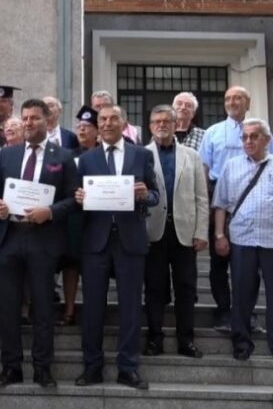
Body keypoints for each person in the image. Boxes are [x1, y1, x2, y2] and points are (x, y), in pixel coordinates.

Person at [0, 99, 78, 389]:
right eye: (24, 118)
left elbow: (72, 199)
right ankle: (11, 367)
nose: (28, 123)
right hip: (9, 237)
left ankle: (42, 368)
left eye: (34, 118)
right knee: (8, 307)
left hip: (43, 239)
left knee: (42, 308)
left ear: (47, 120)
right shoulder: (7, 155)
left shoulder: (62, 157)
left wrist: (50, 212)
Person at [74, 104, 159, 390]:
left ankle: (128, 368)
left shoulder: (142, 155)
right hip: (95, 241)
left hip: (130, 240)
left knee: (131, 307)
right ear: (97, 125)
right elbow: (78, 201)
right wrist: (79, 196)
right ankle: (92, 367)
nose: (108, 123)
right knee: (93, 308)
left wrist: (146, 194)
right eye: (103, 119)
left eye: (113, 119)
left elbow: (156, 196)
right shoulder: (86, 160)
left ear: (124, 123)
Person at [213, 118, 273, 363]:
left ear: (267, 139)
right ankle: (241, 342)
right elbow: (220, 204)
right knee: (242, 294)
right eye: (244, 137)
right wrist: (220, 235)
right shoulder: (231, 167)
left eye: (254, 136)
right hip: (243, 240)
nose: (248, 141)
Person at [199, 85, 273, 332]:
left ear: (248, 102)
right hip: (220, 200)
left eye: (237, 98)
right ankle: (224, 310)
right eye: (228, 98)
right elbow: (203, 169)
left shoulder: (261, 131)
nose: (232, 102)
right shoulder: (213, 132)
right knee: (218, 260)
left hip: (254, 201)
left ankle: (247, 312)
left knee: (249, 263)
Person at [143, 105, 208, 359]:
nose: (162, 125)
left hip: (184, 230)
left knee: (185, 288)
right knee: (154, 288)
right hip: (153, 232)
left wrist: (201, 231)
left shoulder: (191, 155)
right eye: (157, 121)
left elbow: (201, 197)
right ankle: (155, 339)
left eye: (167, 121)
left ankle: (186, 341)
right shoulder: (141, 154)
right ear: (150, 126)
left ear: (175, 124)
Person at [59, 105, 100, 327]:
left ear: (97, 131)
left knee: (94, 265)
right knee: (71, 264)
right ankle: (69, 310)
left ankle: (93, 310)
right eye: (79, 126)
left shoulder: (104, 154)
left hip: (97, 218)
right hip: (73, 217)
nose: (82, 130)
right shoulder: (67, 156)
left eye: (87, 127)